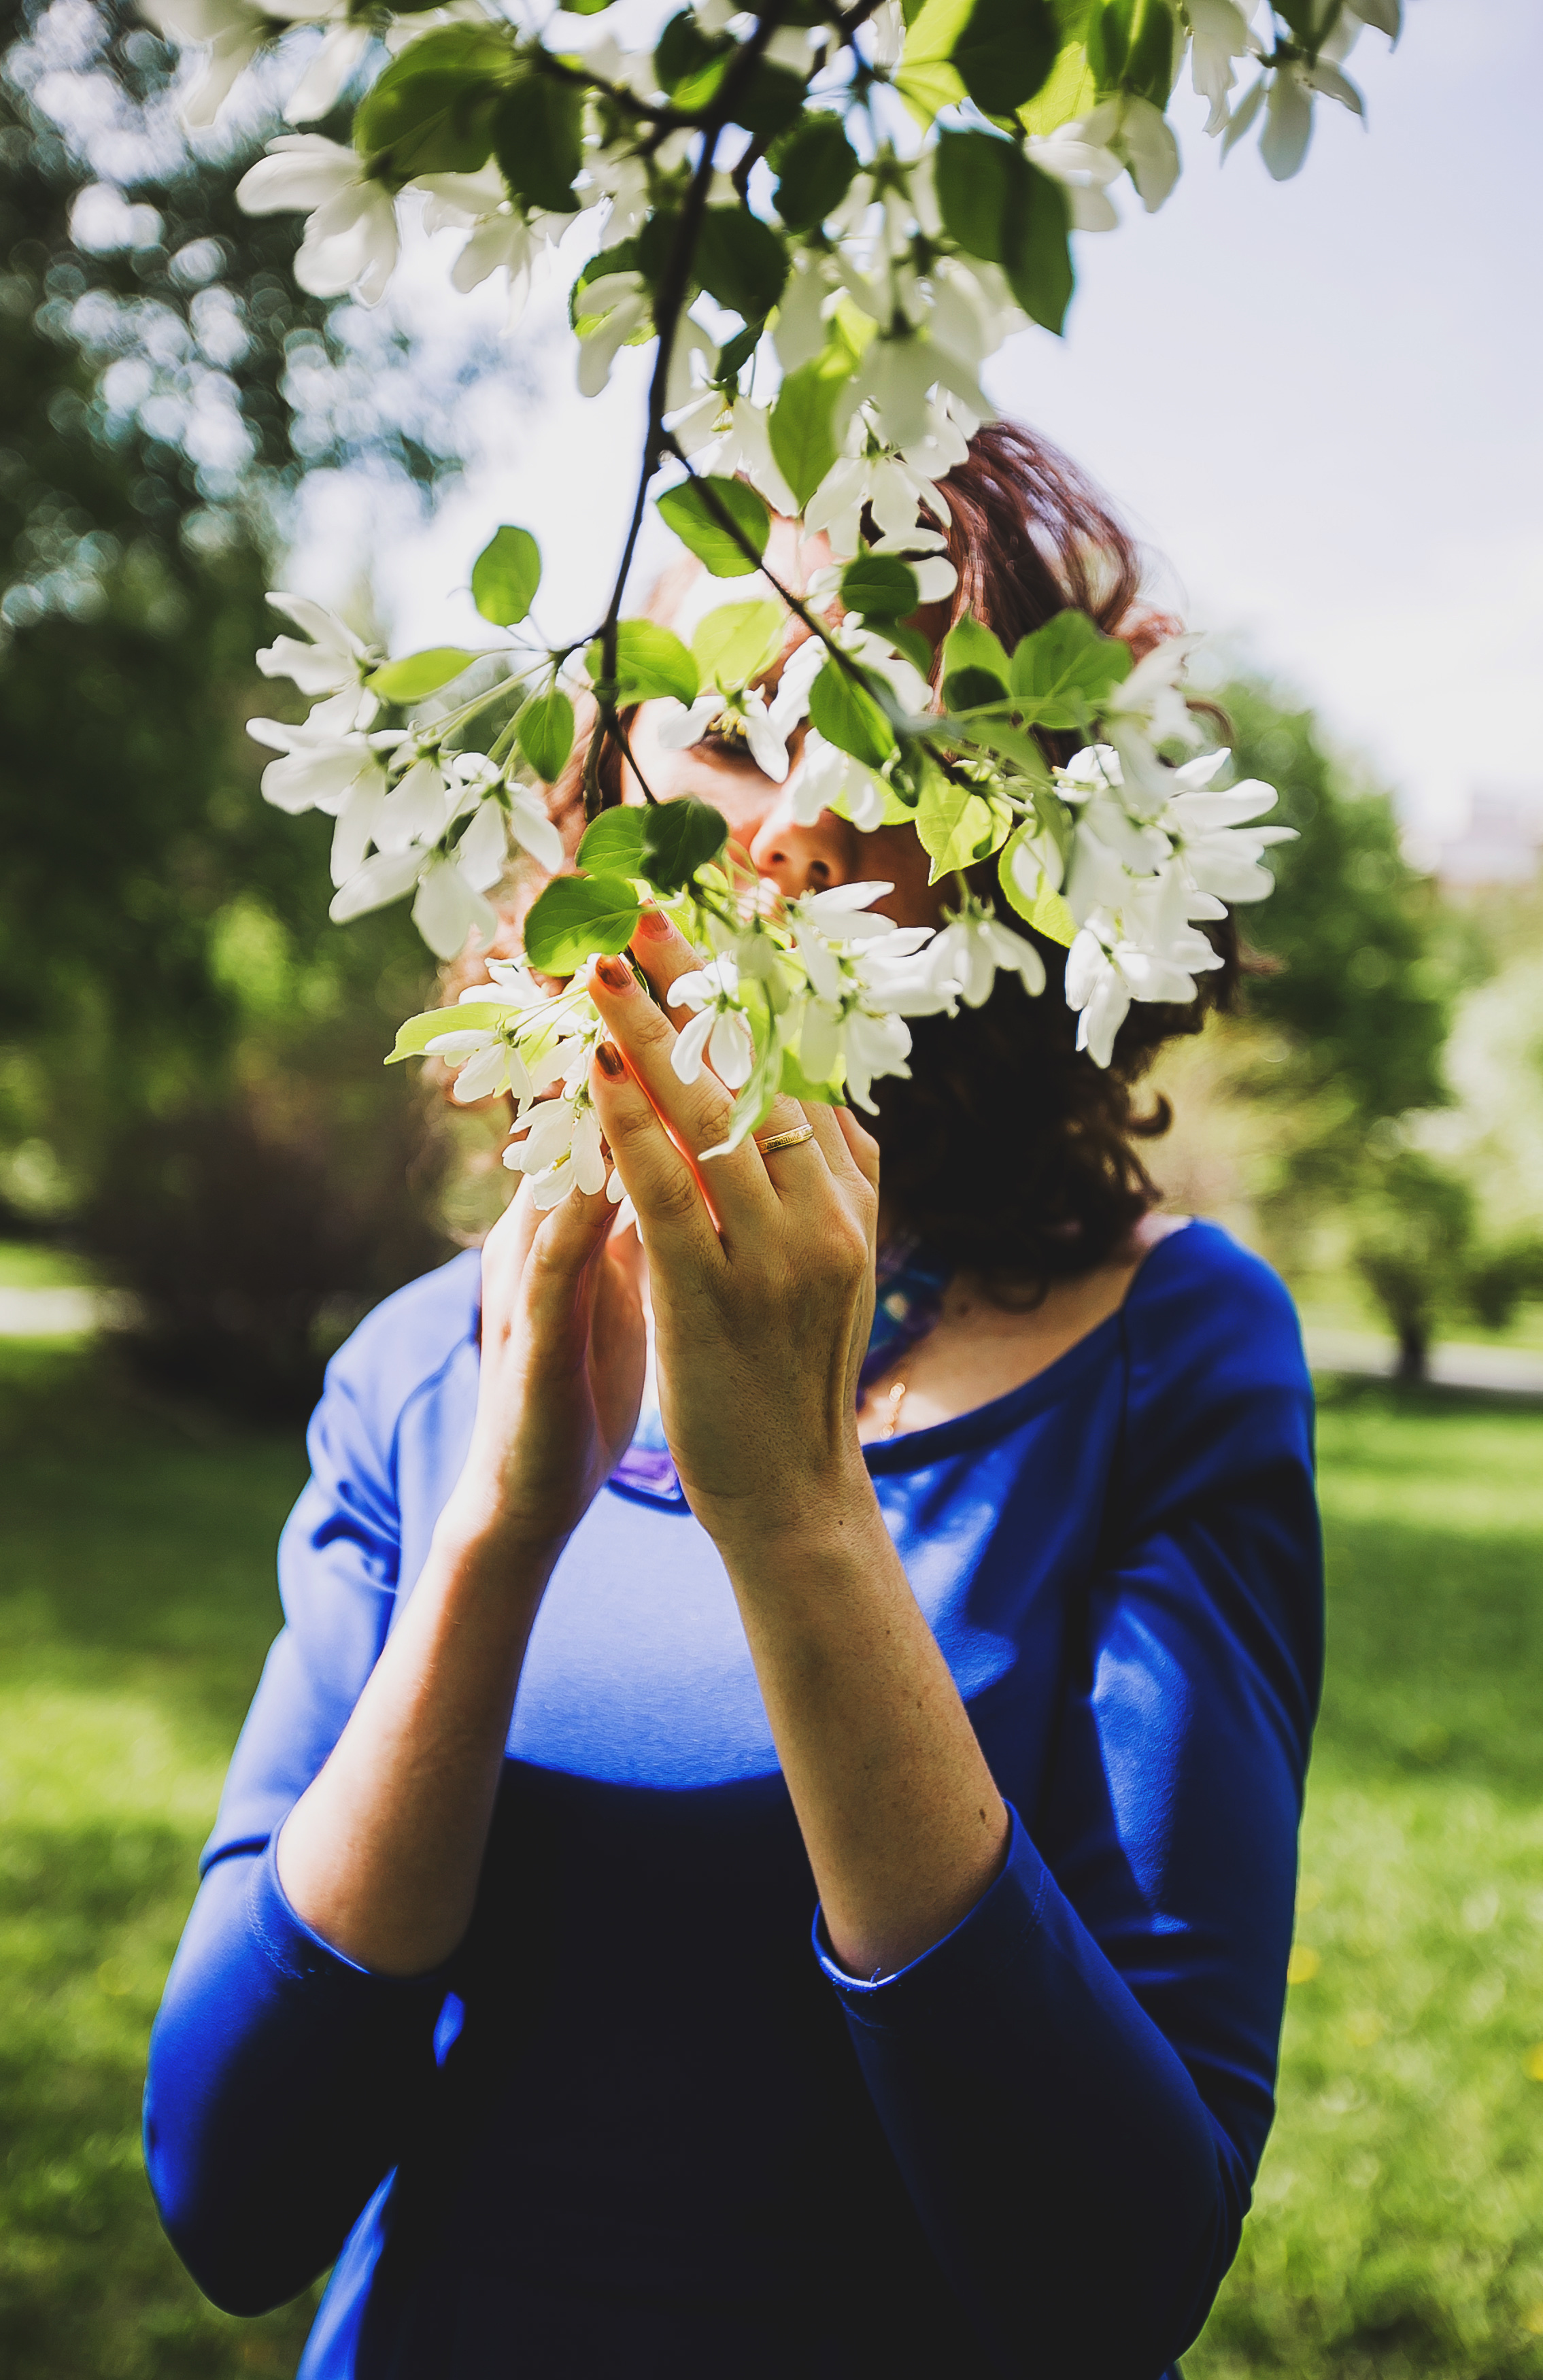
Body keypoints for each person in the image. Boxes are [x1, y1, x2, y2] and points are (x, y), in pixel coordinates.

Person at [143, 422, 1323, 2379]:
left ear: (1017, 858)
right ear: (586, 781)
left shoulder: (1171, 1359)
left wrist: (796, 1515)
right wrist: (503, 1529)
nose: (788, 828)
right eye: (733, 719)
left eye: (885, 743)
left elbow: (1109, 2277)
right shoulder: (425, 1369)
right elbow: (235, 2192)